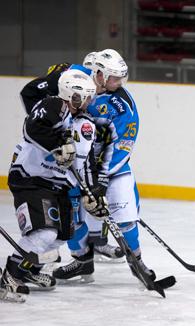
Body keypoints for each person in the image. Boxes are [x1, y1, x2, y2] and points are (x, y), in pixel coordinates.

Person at [52, 49, 157, 283]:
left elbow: (123, 147)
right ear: (98, 74)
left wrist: (99, 181)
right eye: (114, 77)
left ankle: (137, 261)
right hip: (74, 165)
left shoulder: (123, 106)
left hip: (112, 170)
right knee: (70, 216)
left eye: (121, 78)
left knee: (126, 218)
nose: (119, 83)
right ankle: (82, 262)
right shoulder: (75, 76)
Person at [0, 70, 104, 303]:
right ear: (70, 95)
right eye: (83, 97)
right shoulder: (54, 104)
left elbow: (86, 162)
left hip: (59, 185)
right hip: (31, 178)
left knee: (63, 235)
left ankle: (28, 270)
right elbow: (32, 129)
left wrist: (94, 191)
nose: (87, 102)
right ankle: (10, 276)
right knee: (44, 232)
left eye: (90, 98)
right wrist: (57, 145)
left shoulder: (87, 125)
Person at [18, 53, 124, 262]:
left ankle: (89, 245)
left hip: (70, 145)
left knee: (76, 201)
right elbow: (29, 93)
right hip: (45, 150)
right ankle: (44, 249)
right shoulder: (66, 78)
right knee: (52, 204)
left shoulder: (93, 95)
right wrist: (50, 131)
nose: (116, 84)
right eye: (113, 77)